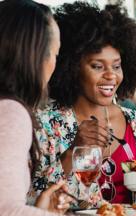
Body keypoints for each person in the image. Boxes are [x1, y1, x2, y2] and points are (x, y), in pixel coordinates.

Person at [28, 1, 136, 207]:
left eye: (117, 66)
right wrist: (74, 151)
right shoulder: (45, 125)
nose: (111, 75)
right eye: (97, 66)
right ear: (73, 67)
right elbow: (32, 201)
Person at [0, 0, 74, 215]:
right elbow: (6, 210)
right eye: (54, 54)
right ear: (34, 55)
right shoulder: (10, 113)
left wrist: (36, 210)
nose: (54, 64)